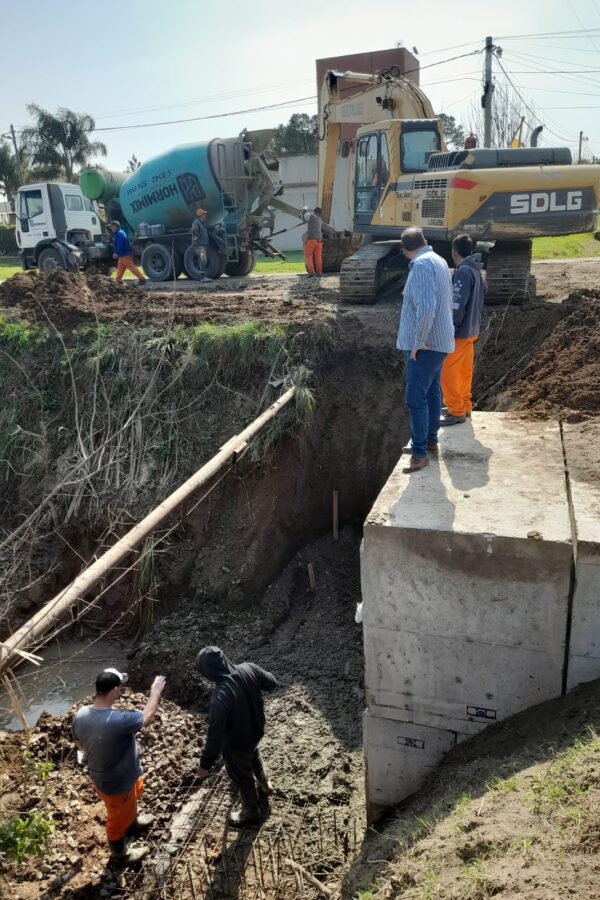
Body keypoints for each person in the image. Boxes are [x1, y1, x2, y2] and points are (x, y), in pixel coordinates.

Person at [72, 668, 166, 864]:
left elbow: (79, 744)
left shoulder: (80, 714)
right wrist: (155, 691)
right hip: (116, 784)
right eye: (120, 688)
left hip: (111, 777)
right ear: (114, 690)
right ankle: (120, 855)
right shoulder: (118, 720)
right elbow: (148, 715)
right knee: (116, 820)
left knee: (131, 799)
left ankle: (132, 823)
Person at [196, 646, 278, 827]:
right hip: (256, 730)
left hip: (236, 744)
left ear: (208, 672)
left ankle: (250, 812)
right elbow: (272, 682)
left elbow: (215, 736)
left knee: (241, 775)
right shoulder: (249, 668)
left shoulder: (220, 697)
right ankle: (265, 784)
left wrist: (204, 765)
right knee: (253, 753)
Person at [396, 227, 455, 474]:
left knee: (415, 397)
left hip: (426, 344)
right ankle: (430, 440)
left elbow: (426, 307)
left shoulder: (420, 266)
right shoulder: (439, 260)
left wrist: (419, 341)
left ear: (404, 250)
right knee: (431, 392)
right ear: (425, 241)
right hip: (440, 340)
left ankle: (419, 453)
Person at [440, 234, 487, 426]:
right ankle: (464, 405)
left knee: (447, 372)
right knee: (463, 371)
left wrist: (450, 328)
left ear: (454, 252)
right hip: (471, 331)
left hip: (459, 333)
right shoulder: (476, 270)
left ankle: (455, 410)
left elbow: (457, 304)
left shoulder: (463, 272)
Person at [302, 206, 323, 277]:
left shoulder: (309, 215)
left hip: (311, 239)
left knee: (308, 255)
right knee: (318, 257)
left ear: (314, 211)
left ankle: (311, 272)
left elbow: (303, 220)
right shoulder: (320, 219)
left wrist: (304, 210)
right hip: (319, 240)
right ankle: (319, 272)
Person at [191, 207, 210, 281]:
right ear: (201, 215)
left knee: (203, 260)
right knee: (203, 259)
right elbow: (194, 229)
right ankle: (202, 278)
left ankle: (203, 277)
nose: (205, 216)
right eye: (204, 214)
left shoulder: (202, 223)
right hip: (199, 245)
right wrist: (198, 236)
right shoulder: (196, 222)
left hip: (203, 245)